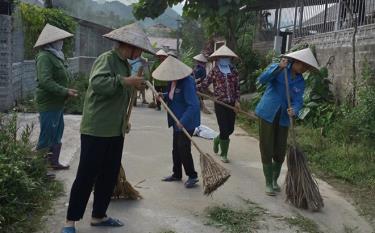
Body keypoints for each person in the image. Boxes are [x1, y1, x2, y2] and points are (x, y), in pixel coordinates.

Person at [61, 23, 154, 233]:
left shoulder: (125, 64)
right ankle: (70, 222)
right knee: (87, 174)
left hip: (115, 129)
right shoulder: (107, 59)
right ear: (129, 46)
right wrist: (125, 81)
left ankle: (99, 216)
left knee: (109, 175)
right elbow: (98, 84)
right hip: (96, 128)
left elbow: (121, 94)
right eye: (138, 49)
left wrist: (132, 89)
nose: (139, 54)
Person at [255, 48, 319, 196]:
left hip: (284, 118)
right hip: (267, 112)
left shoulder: (300, 81)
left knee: (279, 150)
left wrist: (295, 110)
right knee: (266, 147)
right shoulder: (279, 67)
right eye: (302, 65)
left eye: (306, 67)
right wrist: (278, 68)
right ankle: (268, 183)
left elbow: (298, 100)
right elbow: (262, 79)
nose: (304, 69)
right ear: (295, 62)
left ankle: (275, 180)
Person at [34, 24, 78, 171]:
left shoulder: (56, 56)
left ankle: (53, 162)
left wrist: (66, 92)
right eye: (59, 40)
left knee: (57, 132)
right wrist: (64, 91)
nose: (62, 42)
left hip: (58, 102)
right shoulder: (44, 57)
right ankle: (40, 169)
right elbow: (45, 81)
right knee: (47, 134)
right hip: (48, 102)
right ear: (51, 42)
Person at [153, 56, 201, 188]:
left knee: (183, 148)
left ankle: (192, 175)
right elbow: (172, 94)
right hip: (176, 120)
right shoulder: (172, 81)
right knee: (176, 149)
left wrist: (183, 120)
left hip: (187, 121)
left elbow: (194, 105)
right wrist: (163, 95)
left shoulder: (187, 82)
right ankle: (177, 174)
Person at [200, 45, 240, 163]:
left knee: (230, 129)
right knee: (224, 128)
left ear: (230, 58)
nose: (224, 58)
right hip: (220, 103)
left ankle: (217, 139)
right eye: (222, 57)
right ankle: (224, 154)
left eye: (226, 57)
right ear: (218, 58)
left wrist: (237, 101)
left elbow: (237, 87)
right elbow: (205, 83)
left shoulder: (234, 71)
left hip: (231, 103)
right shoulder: (215, 70)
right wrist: (196, 87)